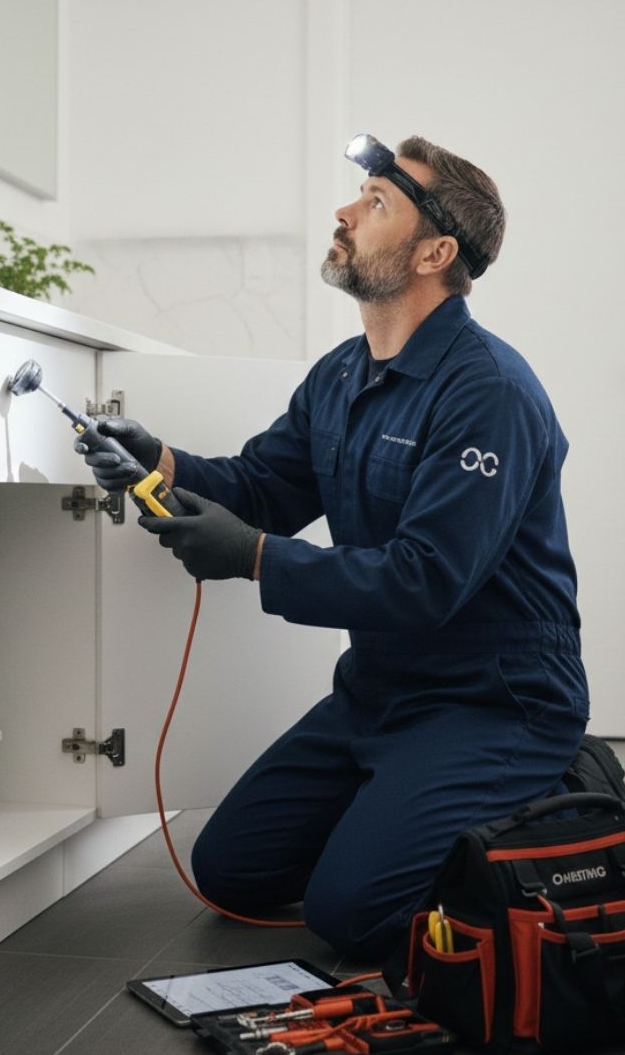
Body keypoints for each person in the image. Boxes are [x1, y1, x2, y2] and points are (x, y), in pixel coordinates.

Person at [77, 134, 593, 965]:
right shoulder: (341, 376)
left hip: (496, 704)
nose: (345, 211)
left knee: (350, 917)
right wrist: (158, 460)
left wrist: (252, 558)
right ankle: (400, 811)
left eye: (377, 202)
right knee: (229, 873)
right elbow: (264, 486)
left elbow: (425, 583)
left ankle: (544, 787)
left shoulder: (489, 392)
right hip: (378, 695)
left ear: (435, 251)